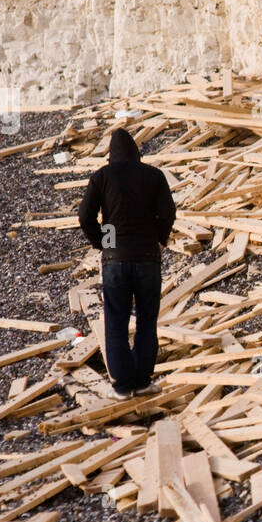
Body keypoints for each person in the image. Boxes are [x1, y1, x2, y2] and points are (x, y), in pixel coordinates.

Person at [78, 128, 176, 400]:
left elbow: (85, 216)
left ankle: (122, 385)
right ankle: (143, 380)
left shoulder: (102, 176)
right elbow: (168, 213)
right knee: (147, 320)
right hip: (147, 258)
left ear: (111, 155)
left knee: (116, 321)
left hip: (114, 258)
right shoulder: (153, 176)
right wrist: (157, 237)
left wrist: (103, 242)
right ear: (137, 153)